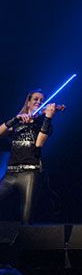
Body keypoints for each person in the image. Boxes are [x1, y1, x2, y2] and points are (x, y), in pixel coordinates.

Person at [0, 90, 57, 223]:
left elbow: (38, 144)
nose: (39, 102)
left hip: (30, 173)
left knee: (26, 217)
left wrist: (48, 118)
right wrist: (15, 119)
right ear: (29, 102)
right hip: (10, 173)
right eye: (36, 99)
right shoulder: (17, 123)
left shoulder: (44, 124)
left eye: (42, 101)